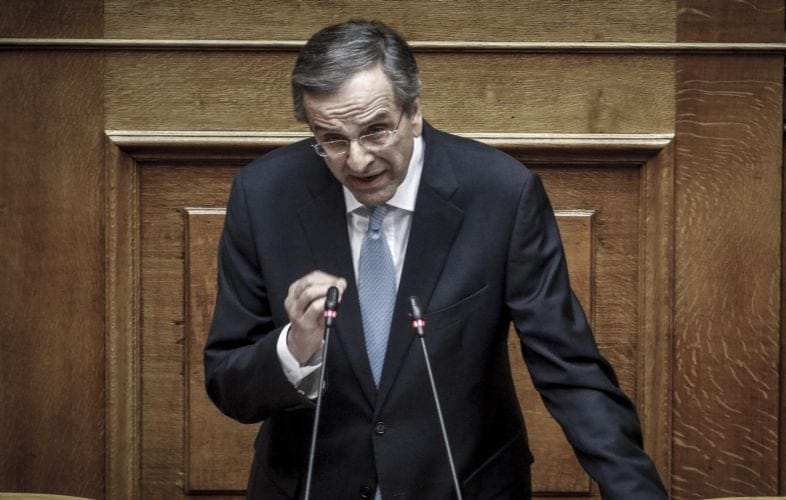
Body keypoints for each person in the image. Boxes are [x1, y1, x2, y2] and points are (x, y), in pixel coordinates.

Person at [204, 19, 668, 500]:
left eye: (376, 131)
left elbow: (570, 372)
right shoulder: (264, 196)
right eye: (332, 139)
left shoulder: (501, 194)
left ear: (414, 112)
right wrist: (295, 348)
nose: (358, 161)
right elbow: (228, 383)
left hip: (462, 485)